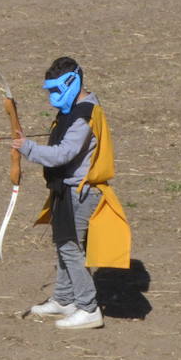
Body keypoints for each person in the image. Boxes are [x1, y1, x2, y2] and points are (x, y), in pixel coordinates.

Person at [11, 57, 131, 330]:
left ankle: (88, 308)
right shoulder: (74, 109)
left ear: (71, 82)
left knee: (71, 248)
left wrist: (28, 149)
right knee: (63, 244)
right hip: (65, 190)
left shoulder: (85, 114)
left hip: (82, 192)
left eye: (55, 90)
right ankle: (65, 299)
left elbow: (64, 154)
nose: (52, 97)